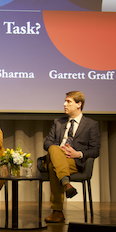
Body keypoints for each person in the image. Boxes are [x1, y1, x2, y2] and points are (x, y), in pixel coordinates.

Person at [42, 91, 100, 223]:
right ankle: (66, 183)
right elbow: (47, 143)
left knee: (53, 167)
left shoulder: (91, 125)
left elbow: (95, 150)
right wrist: (58, 150)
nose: (64, 104)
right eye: (65, 101)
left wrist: (78, 154)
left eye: (68, 101)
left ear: (79, 104)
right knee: (53, 148)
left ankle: (58, 212)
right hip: (56, 155)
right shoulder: (58, 122)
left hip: (74, 161)